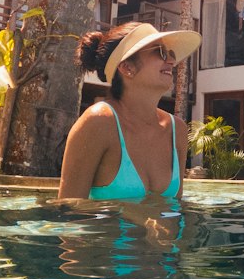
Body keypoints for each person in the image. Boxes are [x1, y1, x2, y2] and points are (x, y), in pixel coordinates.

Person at [58, 21, 202, 201]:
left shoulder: (177, 130)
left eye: (170, 53)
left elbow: (175, 208)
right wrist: (134, 214)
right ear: (127, 68)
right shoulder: (99, 123)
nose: (172, 61)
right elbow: (68, 208)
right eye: (161, 52)